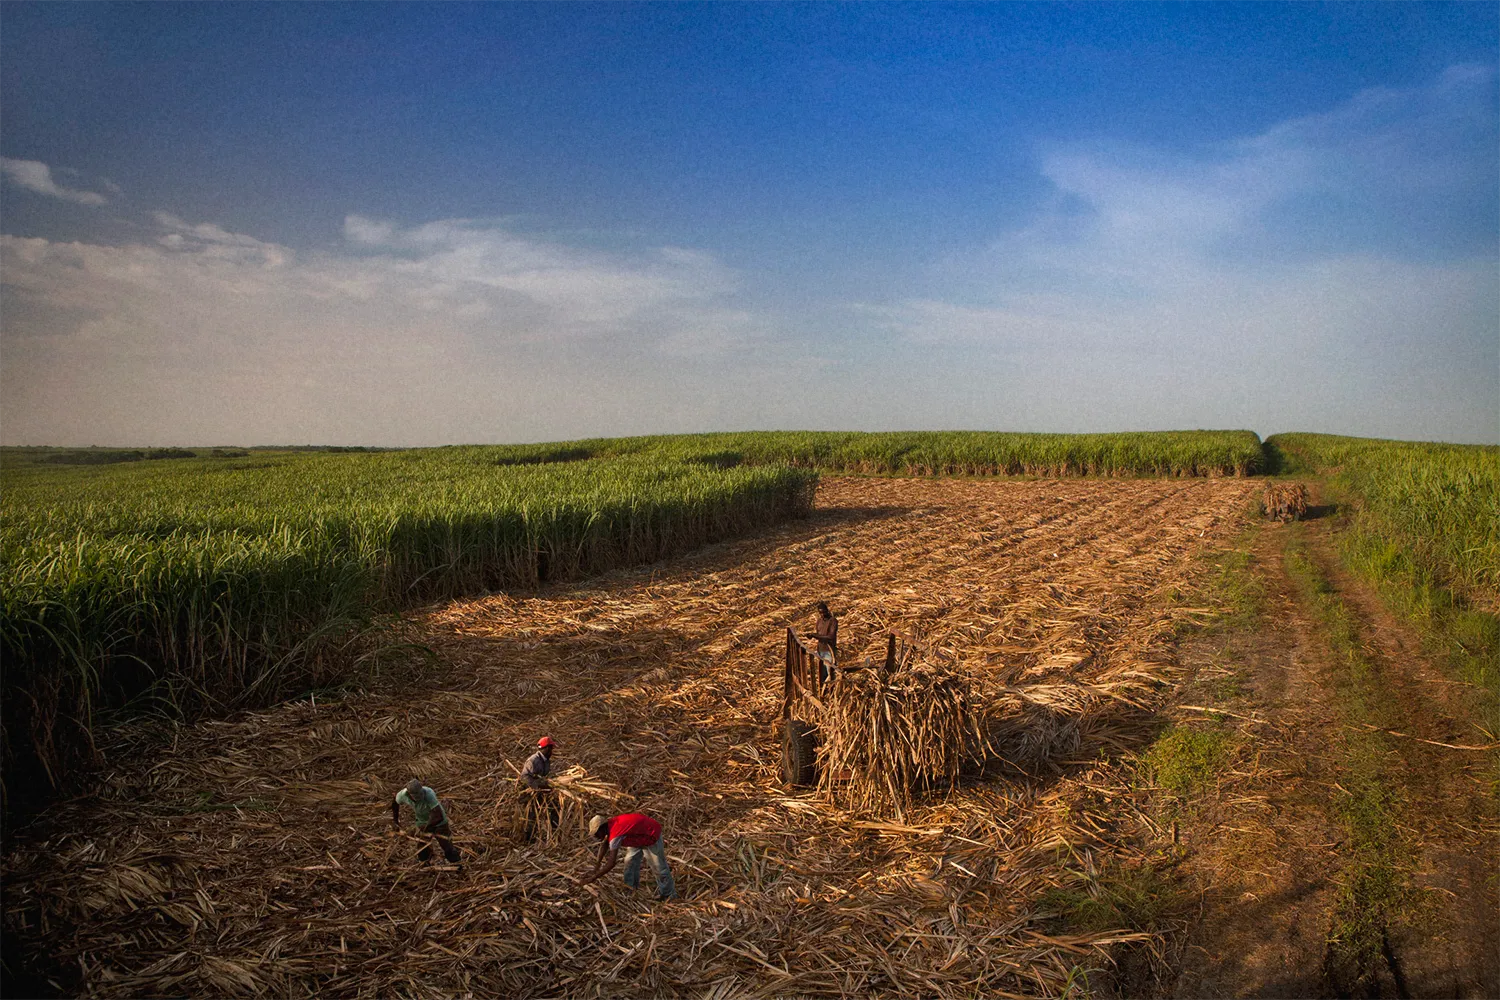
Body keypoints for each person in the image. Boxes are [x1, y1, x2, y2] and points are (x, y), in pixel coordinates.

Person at [580, 812, 676, 900]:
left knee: (659, 868)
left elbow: (611, 863)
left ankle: (668, 895)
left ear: (602, 828)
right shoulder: (610, 826)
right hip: (637, 836)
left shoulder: (615, 833)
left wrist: (593, 878)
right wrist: (596, 867)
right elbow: (605, 844)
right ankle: (630, 890)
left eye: (596, 833)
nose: (596, 837)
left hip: (651, 833)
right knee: (629, 861)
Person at [391, 778, 461, 865]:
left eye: (421, 794)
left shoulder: (429, 793)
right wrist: (395, 821)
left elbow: (438, 816)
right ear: (410, 795)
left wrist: (425, 828)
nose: (421, 796)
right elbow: (395, 801)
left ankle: (458, 865)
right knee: (422, 848)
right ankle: (426, 866)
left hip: (439, 823)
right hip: (422, 822)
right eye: (417, 796)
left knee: (447, 846)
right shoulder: (403, 795)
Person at [812, 602, 838, 671]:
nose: (823, 614)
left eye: (824, 612)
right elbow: (818, 634)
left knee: (829, 671)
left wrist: (816, 636)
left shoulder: (833, 621)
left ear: (827, 610)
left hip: (829, 649)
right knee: (822, 672)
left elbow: (831, 636)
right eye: (821, 613)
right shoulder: (819, 621)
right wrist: (812, 635)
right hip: (820, 649)